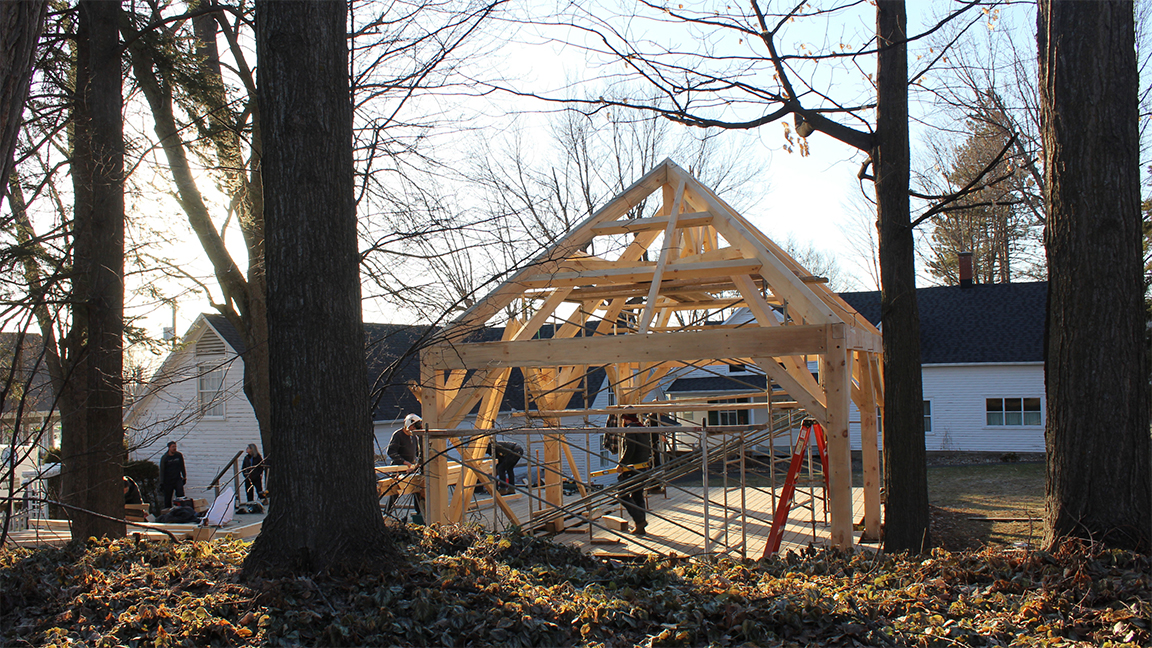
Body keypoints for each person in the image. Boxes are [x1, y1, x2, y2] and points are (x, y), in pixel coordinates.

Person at [617, 414, 651, 536]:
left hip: (632, 469)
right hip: (643, 467)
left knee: (621, 494)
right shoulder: (643, 428)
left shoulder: (630, 430)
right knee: (637, 495)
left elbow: (630, 449)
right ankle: (640, 527)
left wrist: (621, 464)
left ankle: (640, 520)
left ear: (625, 419)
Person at [385, 413, 423, 514]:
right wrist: (404, 463)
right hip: (398, 469)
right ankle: (387, 513)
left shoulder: (414, 437)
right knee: (394, 492)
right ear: (408, 424)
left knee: (416, 490)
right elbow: (391, 452)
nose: (414, 429)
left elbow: (417, 454)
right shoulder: (398, 435)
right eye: (413, 427)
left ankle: (419, 514)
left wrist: (415, 465)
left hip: (410, 469)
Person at [158, 441, 187, 509]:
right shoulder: (165, 458)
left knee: (181, 497)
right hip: (168, 481)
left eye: (175, 447)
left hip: (177, 479)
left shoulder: (179, 455)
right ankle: (168, 512)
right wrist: (161, 482)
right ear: (169, 448)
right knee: (168, 498)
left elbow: (182, 466)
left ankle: (182, 511)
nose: (174, 448)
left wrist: (184, 476)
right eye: (173, 447)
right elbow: (162, 471)